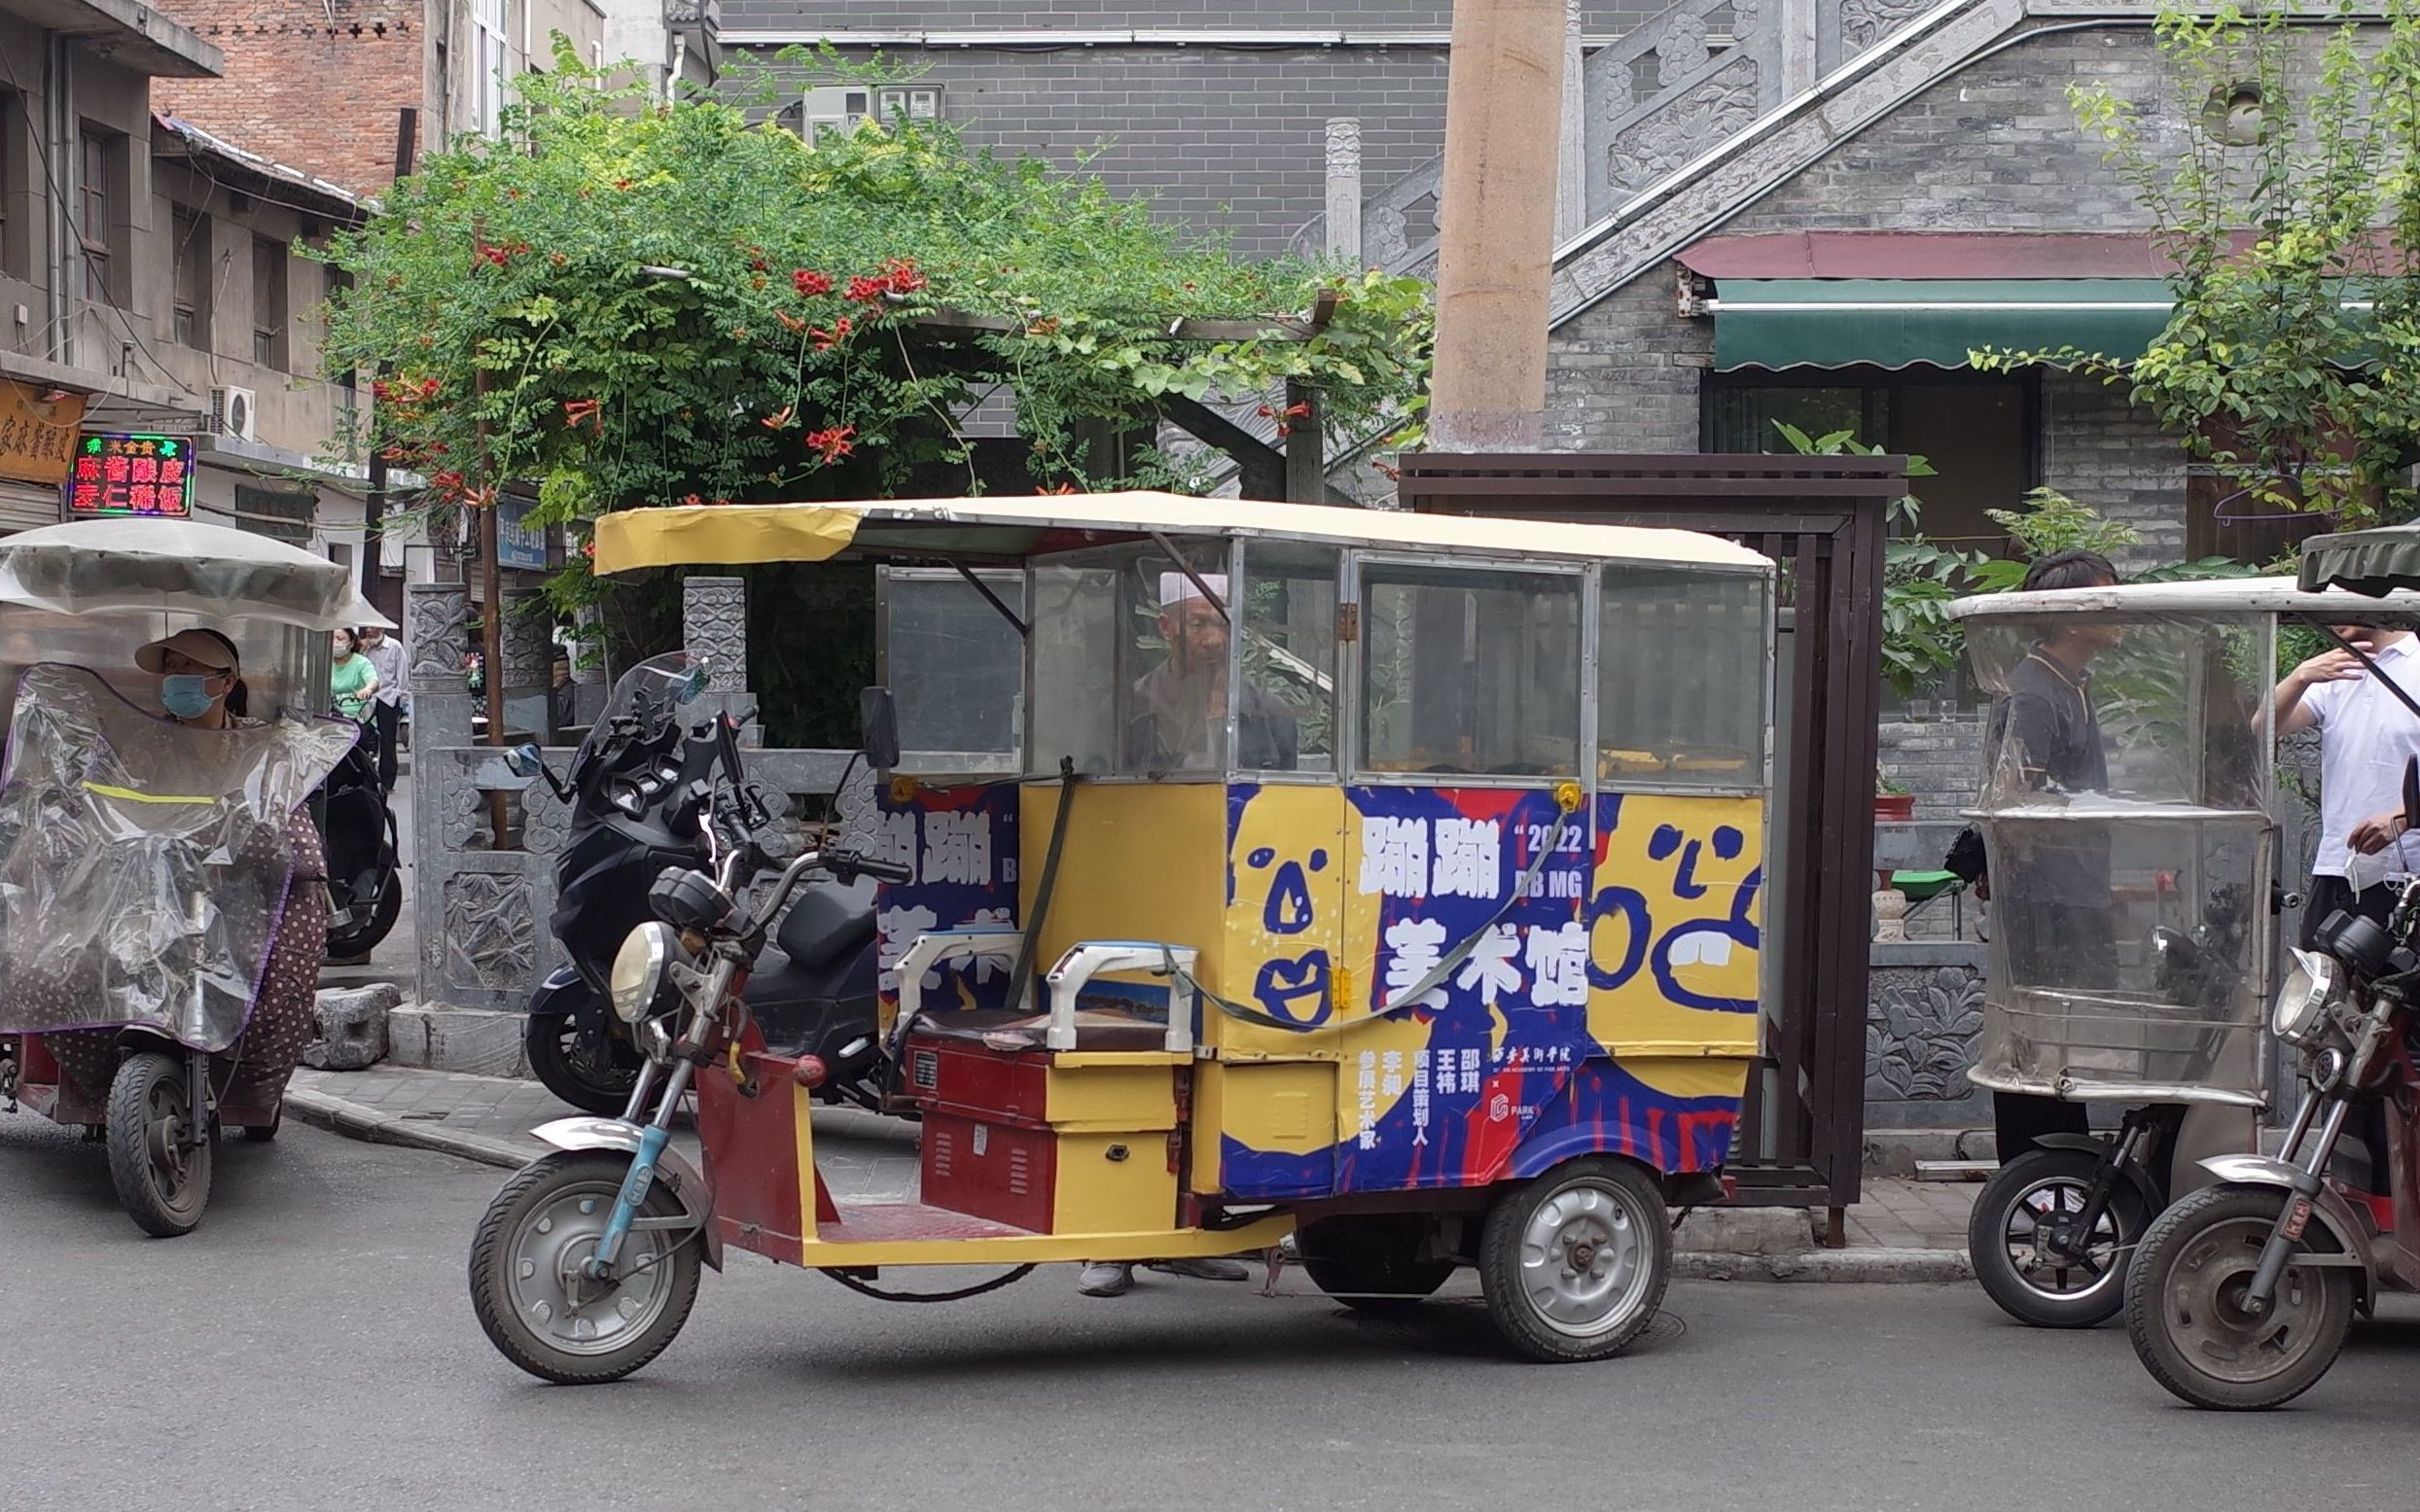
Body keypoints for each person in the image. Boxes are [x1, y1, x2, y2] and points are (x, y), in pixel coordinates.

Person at [40, 629, 331, 1113]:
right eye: (173, 667)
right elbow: (99, 805)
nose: (180, 679)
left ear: (226, 680)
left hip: (239, 898)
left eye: (193, 669)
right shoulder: (140, 742)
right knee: (61, 968)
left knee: (287, 972)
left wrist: (304, 867)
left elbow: (290, 821)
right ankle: (108, 1092)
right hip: (144, 892)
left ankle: (254, 1092)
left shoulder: (262, 743)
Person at [1981, 548, 2122, 1162]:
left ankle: (2067, 1169)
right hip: (2046, 895)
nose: (2118, 610)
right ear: (2069, 616)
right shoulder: (2035, 692)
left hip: (2074, 887)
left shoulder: (2073, 685)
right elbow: (2016, 801)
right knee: (2040, 1035)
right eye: (2105, 597)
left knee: (2070, 1037)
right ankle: (2039, 1175)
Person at [2272, 622, 2420, 944]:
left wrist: (2402, 817)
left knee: (2393, 989)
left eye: (2347, 603)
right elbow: (2264, 727)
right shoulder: (2336, 667)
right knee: (2317, 984)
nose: (2334, 616)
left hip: (2407, 874)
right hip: (2336, 865)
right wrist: (2301, 675)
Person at [1124, 572, 1297, 773]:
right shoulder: (1133, 707)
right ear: (1165, 627)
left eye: (1223, 624)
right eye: (1197, 625)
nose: (1213, 640)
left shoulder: (1271, 714)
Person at [357, 623, 407, 790]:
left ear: (382, 629)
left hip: (387, 698)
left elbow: (402, 674)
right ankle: (367, 777)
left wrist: (399, 695)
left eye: (373, 628)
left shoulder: (394, 647)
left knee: (387, 740)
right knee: (365, 736)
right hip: (368, 699)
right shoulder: (365, 648)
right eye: (367, 629)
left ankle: (387, 780)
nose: (369, 631)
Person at [330, 628, 379, 722]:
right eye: (332, 639)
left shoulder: (361, 662)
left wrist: (367, 689)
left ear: (351, 643)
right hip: (331, 717)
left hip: (358, 718)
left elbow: (373, 681)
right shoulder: (326, 661)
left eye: (340, 639)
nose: (335, 642)